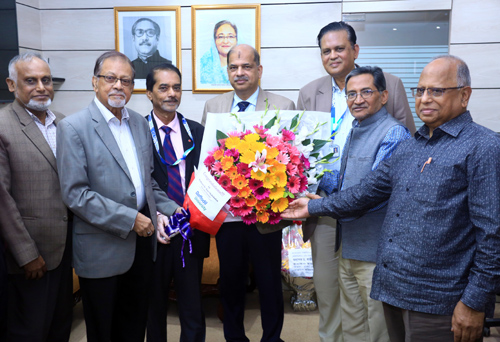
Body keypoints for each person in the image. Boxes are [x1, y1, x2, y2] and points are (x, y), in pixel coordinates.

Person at [283, 55, 500, 342]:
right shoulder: (411, 147)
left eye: (436, 90)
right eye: (420, 90)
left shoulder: (483, 147)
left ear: (464, 95)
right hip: (394, 288)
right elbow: (364, 194)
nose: (424, 99)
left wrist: (473, 302)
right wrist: (312, 205)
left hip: (441, 299)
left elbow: (492, 235)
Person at [296, 21, 415, 342]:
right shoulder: (309, 93)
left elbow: (402, 157)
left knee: (374, 307)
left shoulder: (388, 85)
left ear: (355, 50)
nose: (333, 55)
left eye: (340, 48)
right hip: (323, 209)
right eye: (326, 50)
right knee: (333, 294)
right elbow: (300, 152)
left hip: (373, 219)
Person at [56, 51, 179, 342]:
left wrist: (177, 210)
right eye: (110, 78)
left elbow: (147, 181)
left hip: (141, 250)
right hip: (101, 251)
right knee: (104, 332)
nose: (118, 86)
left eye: (125, 80)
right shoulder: (73, 127)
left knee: (135, 327)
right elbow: (76, 194)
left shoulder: (138, 122)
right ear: (94, 82)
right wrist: (131, 219)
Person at [202, 44, 295, 342]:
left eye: (246, 66)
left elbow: (293, 160)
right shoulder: (213, 107)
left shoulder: (283, 104)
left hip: (267, 214)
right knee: (230, 280)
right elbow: (208, 160)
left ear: (259, 70)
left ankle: (272, 338)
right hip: (228, 214)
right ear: (227, 71)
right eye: (233, 67)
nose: (239, 72)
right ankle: (234, 337)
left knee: (269, 282)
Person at [318, 66, 410, 341]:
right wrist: (305, 174)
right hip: (348, 246)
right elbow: (345, 182)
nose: (357, 100)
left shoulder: (393, 134)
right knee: (353, 324)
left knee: (378, 327)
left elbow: (370, 194)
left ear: (383, 96)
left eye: (366, 92)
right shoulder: (356, 129)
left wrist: (315, 206)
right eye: (351, 94)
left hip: (375, 252)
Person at [0, 52, 73, 342]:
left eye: (46, 80)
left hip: (65, 250)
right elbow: (2, 198)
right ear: (11, 84)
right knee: (29, 332)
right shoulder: (3, 125)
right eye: (30, 81)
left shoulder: (64, 123)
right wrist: (26, 255)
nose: (41, 87)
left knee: (60, 326)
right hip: (30, 258)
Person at [145, 63, 210, 342]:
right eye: (163, 87)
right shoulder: (136, 130)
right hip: (152, 230)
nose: (171, 93)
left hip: (191, 230)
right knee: (153, 306)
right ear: (149, 93)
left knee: (192, 306)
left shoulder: (197, 130)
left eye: (176, 87)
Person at [199, 20, 238, 86]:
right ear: (215, 40)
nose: (225, 41)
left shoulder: (244, 67)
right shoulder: (203, 66)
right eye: (221, 37)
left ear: (237, 40)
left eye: (230, 36)